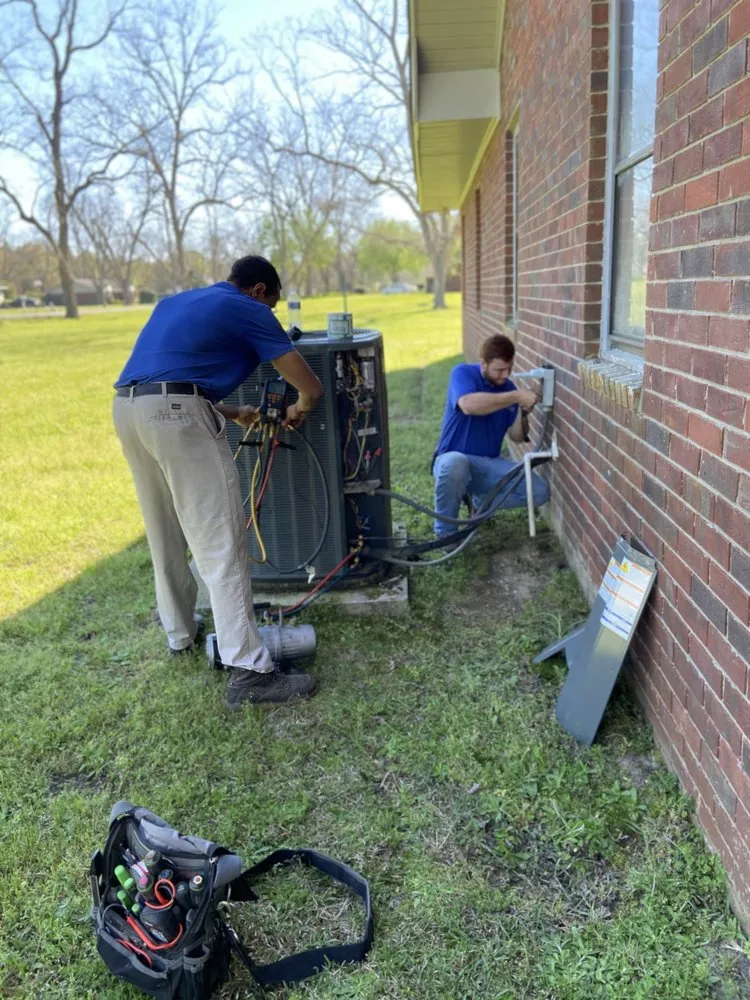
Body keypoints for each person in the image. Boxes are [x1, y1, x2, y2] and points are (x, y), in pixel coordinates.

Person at [113, 255, 323, 707]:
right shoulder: (248, 309)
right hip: (174, 414)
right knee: (221, 542)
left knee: (164, 532)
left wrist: (228, 411)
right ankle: (249, 674)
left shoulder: (176, 302)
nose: (270, 314)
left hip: (128, 411)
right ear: (259, 291)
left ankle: (181, 635)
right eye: (272, 305)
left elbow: (164, 378)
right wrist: (300, 408)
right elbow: (310, 386)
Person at [432, 332, 551, 538]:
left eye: (509, 369)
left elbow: (515, 436)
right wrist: (515, 397)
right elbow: (468, 405)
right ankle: (445, 535)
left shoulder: (508, 388)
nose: (505, 375)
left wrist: (522, 412)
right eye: (499, 370)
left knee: (539, 491)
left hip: (488, 464)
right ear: (483, 364)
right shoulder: (463, 374)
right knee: (455, 463)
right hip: (452, 459)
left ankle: (480, 503)